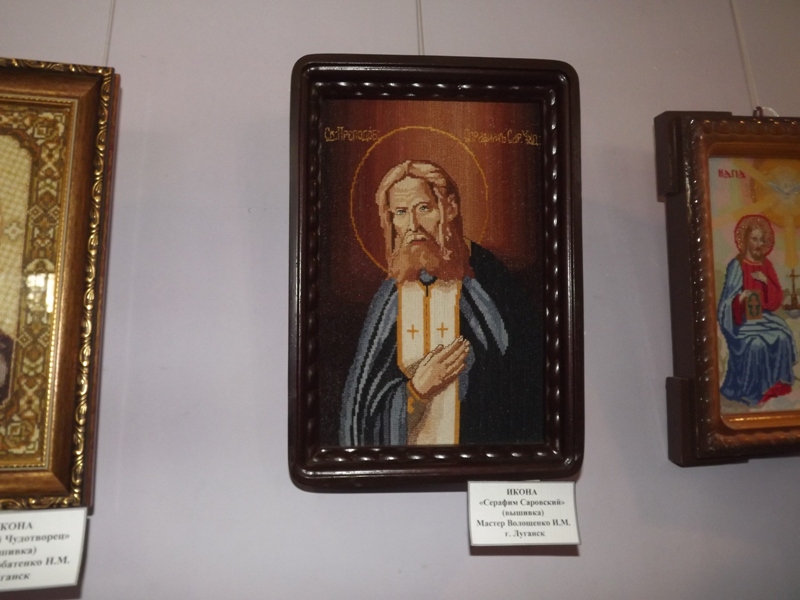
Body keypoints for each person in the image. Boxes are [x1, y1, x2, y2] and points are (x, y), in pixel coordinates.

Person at [340, 160, 542, 446]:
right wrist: (416, 391)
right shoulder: (389, 298)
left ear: (450, 208)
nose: (413, 226)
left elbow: (520, 382)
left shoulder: (491, 283)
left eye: (423, 208)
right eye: (401, 213)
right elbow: (361, 416)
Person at [717, 214, 798, 406]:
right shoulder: (736, 266)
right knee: (756, 344)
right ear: (746, 240)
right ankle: (752, 390)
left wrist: (765, 281)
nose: (758, 244)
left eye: (761, 240)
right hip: (742, 322)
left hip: (765, 318)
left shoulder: (766, 265)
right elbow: (725, 305)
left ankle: (775, 385)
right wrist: (739, 299)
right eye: (754, 239)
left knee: (783, 336)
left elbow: (775, 300)